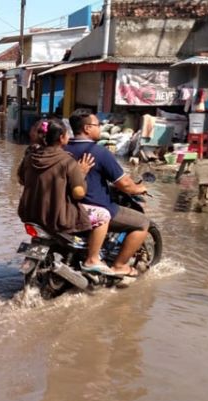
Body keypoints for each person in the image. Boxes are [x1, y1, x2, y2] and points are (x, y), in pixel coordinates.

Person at [18, 119, 115, 275]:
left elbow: (21, 179)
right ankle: (92, 259)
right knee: (104, 215)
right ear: (62, 137)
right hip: (56, 216)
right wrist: (81, 173)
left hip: (30, 214)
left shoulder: (30, 157)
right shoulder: (67, 161)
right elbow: (78, 193)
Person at [65, 109, 150, 278]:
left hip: (67, 207)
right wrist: (139, 188)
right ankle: (119, 265)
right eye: (98, 125)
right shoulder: (99, 152)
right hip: (95, 208)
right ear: (87, 128)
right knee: (143, 223)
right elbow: (125, 184)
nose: (101, 128)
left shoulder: (62, 149)